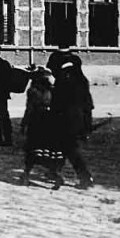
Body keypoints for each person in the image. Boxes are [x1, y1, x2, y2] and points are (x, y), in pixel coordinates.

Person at [50, 61, 94, 189]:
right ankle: (54, 172)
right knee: (64, 148)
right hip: (78, 121)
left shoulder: (62, 82)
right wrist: (87, 124)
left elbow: (55, 103)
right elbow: (88, 105)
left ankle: (85, 177)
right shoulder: (82, 82)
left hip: (65, 121)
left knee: (70, 150)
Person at [21, 67, 64, 186]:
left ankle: (26, 174)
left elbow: (29, 109)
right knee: (50, 149)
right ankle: (54, 173)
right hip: (50, 121)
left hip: (36, 121)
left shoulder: (33, 91)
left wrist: (24, 123)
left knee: (33, 149)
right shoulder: (52, 90)